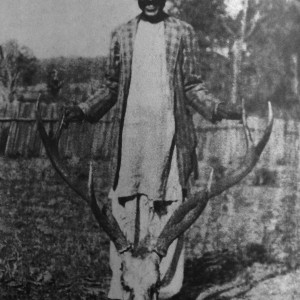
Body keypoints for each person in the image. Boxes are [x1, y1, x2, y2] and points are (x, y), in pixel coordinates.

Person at [64, 0, 242, 298]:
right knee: (125, 208)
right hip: (131, 140)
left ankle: (163, 289)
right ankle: (125, 289)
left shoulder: (182, 32)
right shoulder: (122, 34)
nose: (150, 1)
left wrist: (219, 108)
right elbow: (110, 86)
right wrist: (83, 110)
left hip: (168, 139)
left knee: (168, 210)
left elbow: (191, 86)